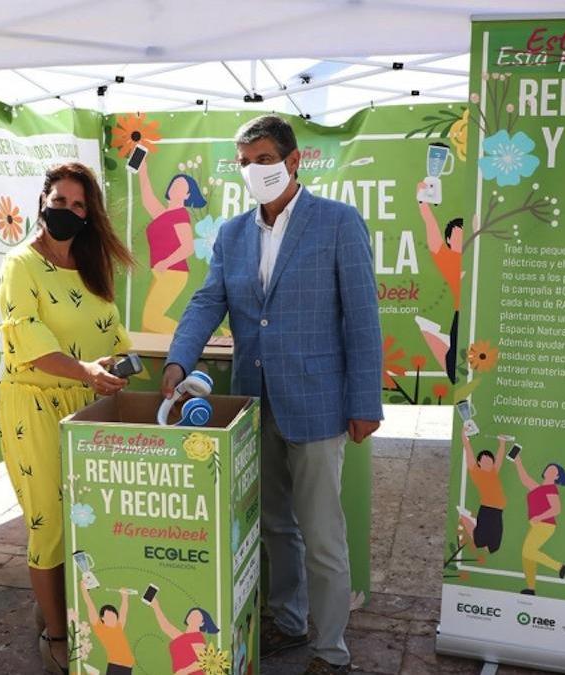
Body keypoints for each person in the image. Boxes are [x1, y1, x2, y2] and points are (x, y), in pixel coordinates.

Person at [163, 115, 383, 675]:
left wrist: (365, 402)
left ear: (293, 160)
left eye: (263, 159)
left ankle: (331, 651)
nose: (253, 170)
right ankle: (287, 622)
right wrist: (177, 359)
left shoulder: (337, 222)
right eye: (244, 162)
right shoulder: (233, 233)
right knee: (275, 525)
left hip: (317, 404)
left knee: (323, 535)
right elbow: (206, 303)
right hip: (253, 402)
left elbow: (362, 318)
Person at [0, 162, 133, 673]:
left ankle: (55, 602)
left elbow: (114, 337)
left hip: (89, 407)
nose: (69, 213)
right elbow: (28, 341)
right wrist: (85, 371)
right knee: (50, 524)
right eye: (60, 202)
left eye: (79, 206)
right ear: (42, 203)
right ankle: (56, 634)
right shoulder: (20, 265)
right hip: (35, 406)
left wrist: (115, 370)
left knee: (89, 519)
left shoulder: (92, 266)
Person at [137, 158, 204, 333]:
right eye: (175, 184)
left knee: (151, 320)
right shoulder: (164, 214)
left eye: (182, 187)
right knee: (147, 326)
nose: (176, 187)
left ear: (188, 195)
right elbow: (147, 198)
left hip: (174, 272)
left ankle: (196, 337)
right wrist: (142, 168)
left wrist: (166, 262)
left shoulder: (181, 215)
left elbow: (188, 247)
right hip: (162, 271)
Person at [414, 195, 462, 382]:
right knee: (453, 367)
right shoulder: (449, 260)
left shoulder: (480, 256)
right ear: (449, 240)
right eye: (457, 235)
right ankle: (432, 333)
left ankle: (433, 333)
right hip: (461, 315)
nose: (462, 239)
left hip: (484, 316)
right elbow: (431, 228)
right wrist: (423, 202)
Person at [512, 455, 565, 595]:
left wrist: (539, 517)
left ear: (557, 476)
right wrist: (518, 460)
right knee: (527, 555)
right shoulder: (538, 487)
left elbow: (556, 509)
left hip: (546, 525)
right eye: (548, 468)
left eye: (553, 470)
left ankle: (560, 567)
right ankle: (531, 588)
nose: (549, 470)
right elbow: (525, 478)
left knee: (527, 551)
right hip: (538, 525)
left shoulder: (551, 488)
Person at [457, 434, 507, 554]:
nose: (487, 461)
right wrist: (465, 438)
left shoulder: (494, 472)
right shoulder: (476, 473)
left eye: (490, 459)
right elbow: (469, 455)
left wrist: (502, 443)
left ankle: (471, 520)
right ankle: (466, 518)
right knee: (478, 542)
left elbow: (499, 458)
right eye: (484, 460)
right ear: (479, 462)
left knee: (493, 548)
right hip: (486, 511)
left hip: (498, 512)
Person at [148, 596, 219, 675]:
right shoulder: (183, 637)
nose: (192, 616)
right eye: (192, 614)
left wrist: (184, 671)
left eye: (196, 616)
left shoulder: (197, 637)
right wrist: (156, 606)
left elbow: (203, 661)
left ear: (202, 623)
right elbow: (166, 627)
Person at [81, 584, 135, 675]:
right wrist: (84, 590)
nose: (112, 618)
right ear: (102, 618)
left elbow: (123, 612)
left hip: (127, 668)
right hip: (116, 667)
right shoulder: (100, 628)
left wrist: (124, 596)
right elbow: (90, 606)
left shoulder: (118, 627)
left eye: (114, 616)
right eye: (109, 616)